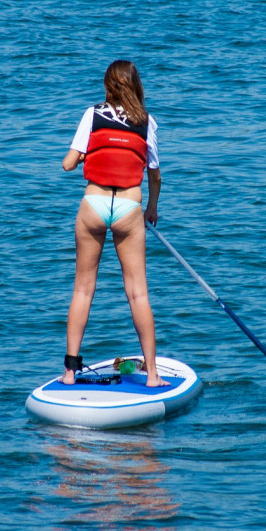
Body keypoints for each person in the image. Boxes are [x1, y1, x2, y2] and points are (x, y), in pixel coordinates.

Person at [59, 60, 169, 387]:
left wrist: (85, 154)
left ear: (108, 85)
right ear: (136, 85)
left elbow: (67, 164)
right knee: (138, 294)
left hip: (93, 205)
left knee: (83, 289)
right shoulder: (146, 121)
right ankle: (153, 376)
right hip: (128, 208)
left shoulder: (92, 114)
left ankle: (69, 372)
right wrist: (151, 208)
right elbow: (155, 175)